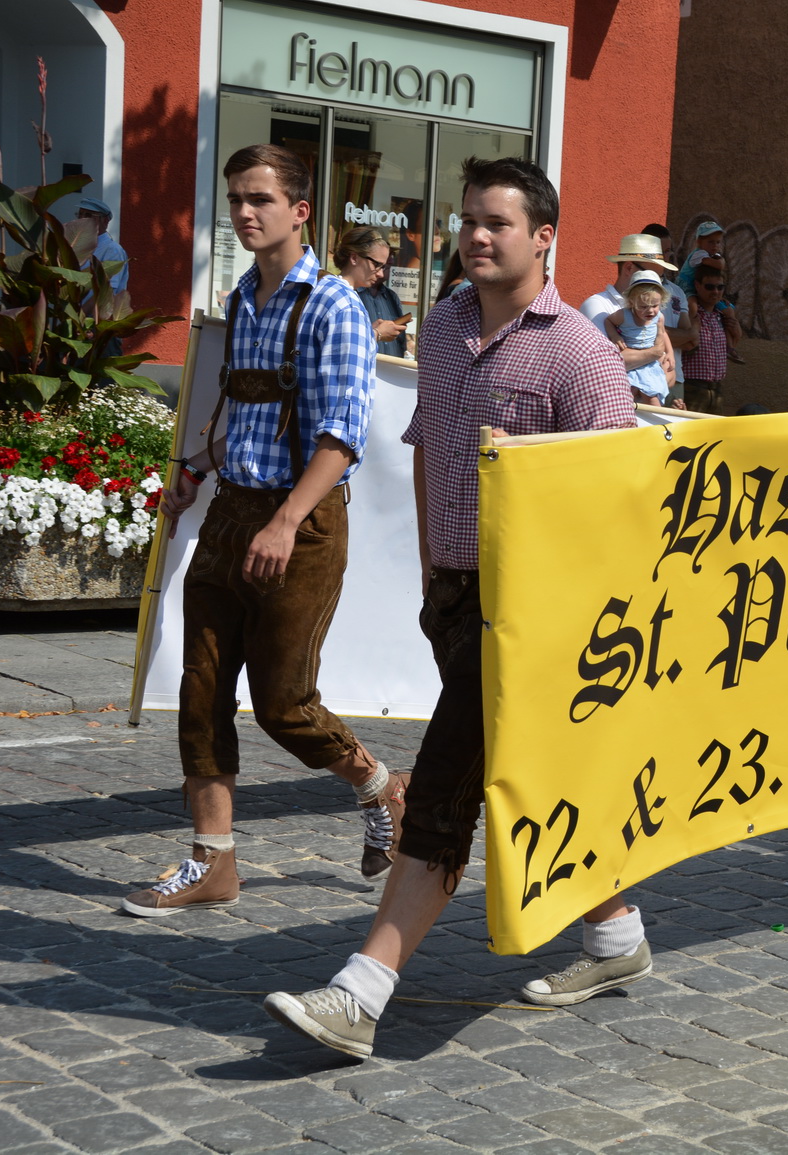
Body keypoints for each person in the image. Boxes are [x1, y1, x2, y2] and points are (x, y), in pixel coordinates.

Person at [263, 156, 651, 1061]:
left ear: (544, 236)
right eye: (469, 220)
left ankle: (362, 991)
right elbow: (430, 448)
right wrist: (438, 579)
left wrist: (541, 490)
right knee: (536, 772)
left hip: (540, 616)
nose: (477, 236)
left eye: (498, 223)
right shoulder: (440, 330)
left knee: (442, 785)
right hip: (459, 600)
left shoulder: (582, 352)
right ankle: (616, 932)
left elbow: (619, 502)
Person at [122, 144, 395, 917]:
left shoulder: (336, 305)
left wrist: (283, 521)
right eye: (237, 198)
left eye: (261, 200)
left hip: (299, 523)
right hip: (232, 510)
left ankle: (380, 787)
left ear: (301, 211)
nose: (244, 212)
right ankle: (213, 859)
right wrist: (194, 470)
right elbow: (241, 410)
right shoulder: (243, 297)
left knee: (285, 704)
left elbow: (342, 436)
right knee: (201, 689)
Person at [579, 233, 679, 386]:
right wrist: (655, 354)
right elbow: (605, 363)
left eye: (660, 278)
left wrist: (654, 382)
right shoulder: (597, 306)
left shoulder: (651, 307)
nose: (659, 284)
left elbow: (671, 375)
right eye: (653, 274)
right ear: (629, 267)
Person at [335, 226, 411, 358]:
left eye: (384, 267)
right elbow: (340, 349)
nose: (381, 273)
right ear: (354, 258)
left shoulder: (347, 295)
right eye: (377, 265)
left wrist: (370, 331)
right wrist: (377, 333)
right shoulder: (339, 295)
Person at [603, 269, 674, 406]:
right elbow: (608, 321)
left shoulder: (659, 318)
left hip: (650, 364)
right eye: (643, 306)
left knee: (652, 397)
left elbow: (663, 333)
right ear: (632, 302)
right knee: (629, 394)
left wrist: (670, 353)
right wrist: (615, 336)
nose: (650, 311)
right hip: (633, 362)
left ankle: (656, 424)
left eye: (655, 305)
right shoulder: (624, 315)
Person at [641, 223, 693, 407]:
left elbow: (691, 339)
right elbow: (641, 331)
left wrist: (659, 332)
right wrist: (676, 335)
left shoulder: (677, 292)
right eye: (660, 252)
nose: (666, 257)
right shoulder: (637, 292)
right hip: (644, 380)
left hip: (676, 378)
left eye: (668, 250)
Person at [681, 263, 741, 412]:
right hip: (692, 388)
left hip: (716, 389)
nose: (715, 291)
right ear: (697, 285)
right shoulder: (691, 314)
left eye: (720, 287)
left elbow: (733, 343)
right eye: (709, 287)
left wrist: (734, 328)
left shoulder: (722, 316)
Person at [76, 195, 130, 294]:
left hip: (94, 309)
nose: (82, 219)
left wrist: (82, 310)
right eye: (79, 215)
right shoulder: (76, 246)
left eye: (88, 215)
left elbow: (106, 294)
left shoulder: (112, 250)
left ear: (105, 220)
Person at [676, 220, 725, 293]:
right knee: (692, 301)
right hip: (684, 286)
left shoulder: (710, 255)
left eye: (718, 242)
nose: (715, 245)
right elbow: (720, 265)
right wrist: (721, 260)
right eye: (711, 242)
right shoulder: (699, 254)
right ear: (699, 242)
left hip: (695, 286)